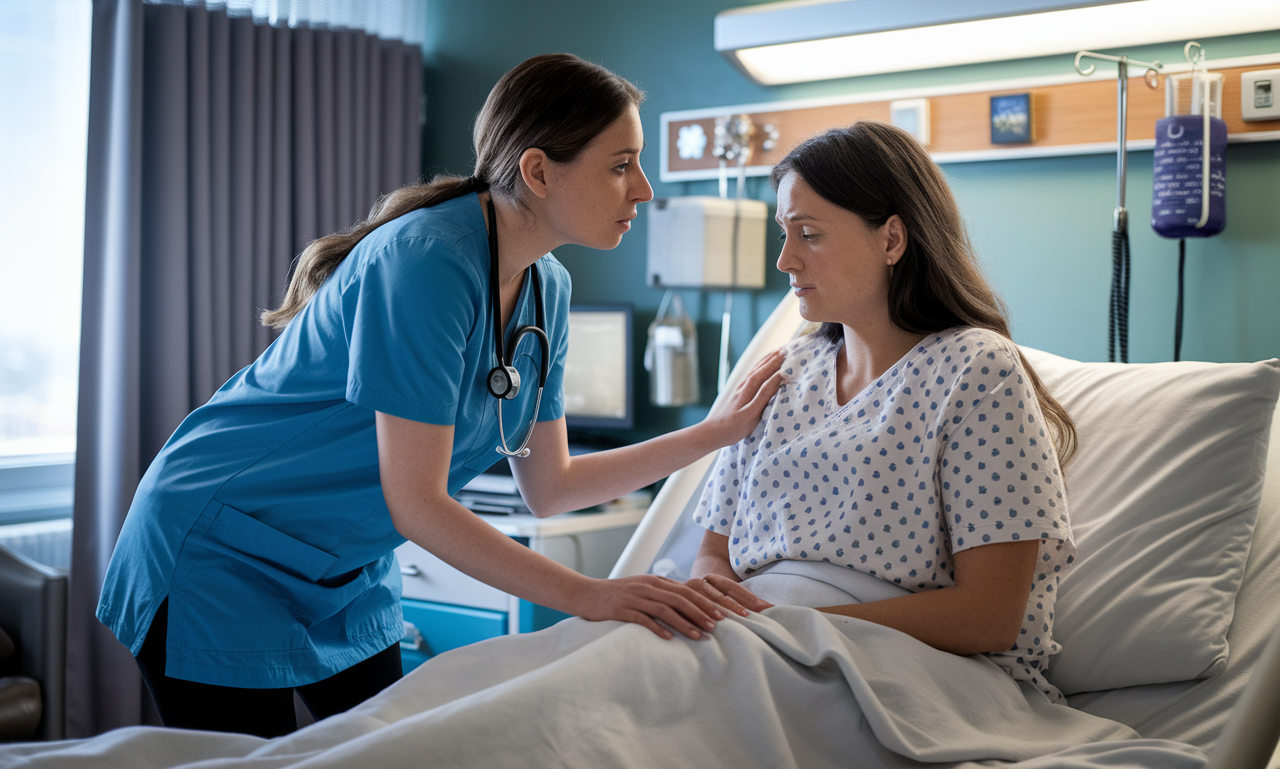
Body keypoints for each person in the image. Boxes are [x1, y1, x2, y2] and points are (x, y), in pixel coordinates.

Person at [96, 53, 785, 738]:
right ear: (539, 171)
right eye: (620, 164)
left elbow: (551, 486)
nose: (643, 189)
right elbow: (418, 503)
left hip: (343, 569)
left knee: (396, 753)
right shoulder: (427, 258)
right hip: (221, 548)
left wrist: (713, 432)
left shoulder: (548, 288)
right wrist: (590, 596)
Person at [683, 120, 1081, 702]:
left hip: (903, 673)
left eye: (809, 234)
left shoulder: (977, 372)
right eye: (783, 233)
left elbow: (989, 616)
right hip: (753, 643)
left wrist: (796, 627)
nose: (785, 261)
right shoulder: (784, 375)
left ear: (892, 240)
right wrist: (728, 614)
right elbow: (712, 553)